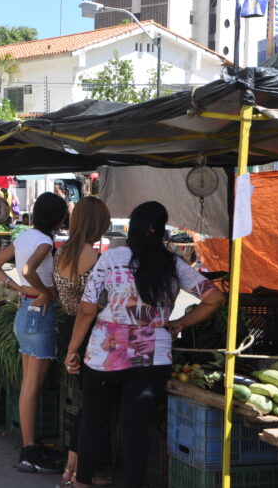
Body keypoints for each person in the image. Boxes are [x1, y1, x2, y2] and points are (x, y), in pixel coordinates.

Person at [64, 201, 224, 488]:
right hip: (153, 358)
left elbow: (87, 310)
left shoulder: (112, 258)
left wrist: (72, 349)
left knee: (93, 421)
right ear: (161, 230)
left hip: (105, 355)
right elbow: (214, 298)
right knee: (136, 429)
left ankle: (82, 483)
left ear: (132, 227)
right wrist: (180, 324)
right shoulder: (174, 263)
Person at [0, 192, 68, 474]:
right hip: (39, 314)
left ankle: (30, 446)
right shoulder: (45, 241)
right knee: (33, 387)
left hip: (25, 310)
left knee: (28, 386)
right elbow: (27, 269)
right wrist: (45, 293)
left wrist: (17, 288)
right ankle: (30, 451)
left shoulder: (23, 236)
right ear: (58, 217)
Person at [52, 197, 111, 486]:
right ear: (100, 225)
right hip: (90, 333)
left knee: (86, 404)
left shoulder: (60, 253)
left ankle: (72, 465)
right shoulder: (98, 259)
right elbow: (93, 307)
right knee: (92, 407)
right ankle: (79, 469)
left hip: (68, 329)